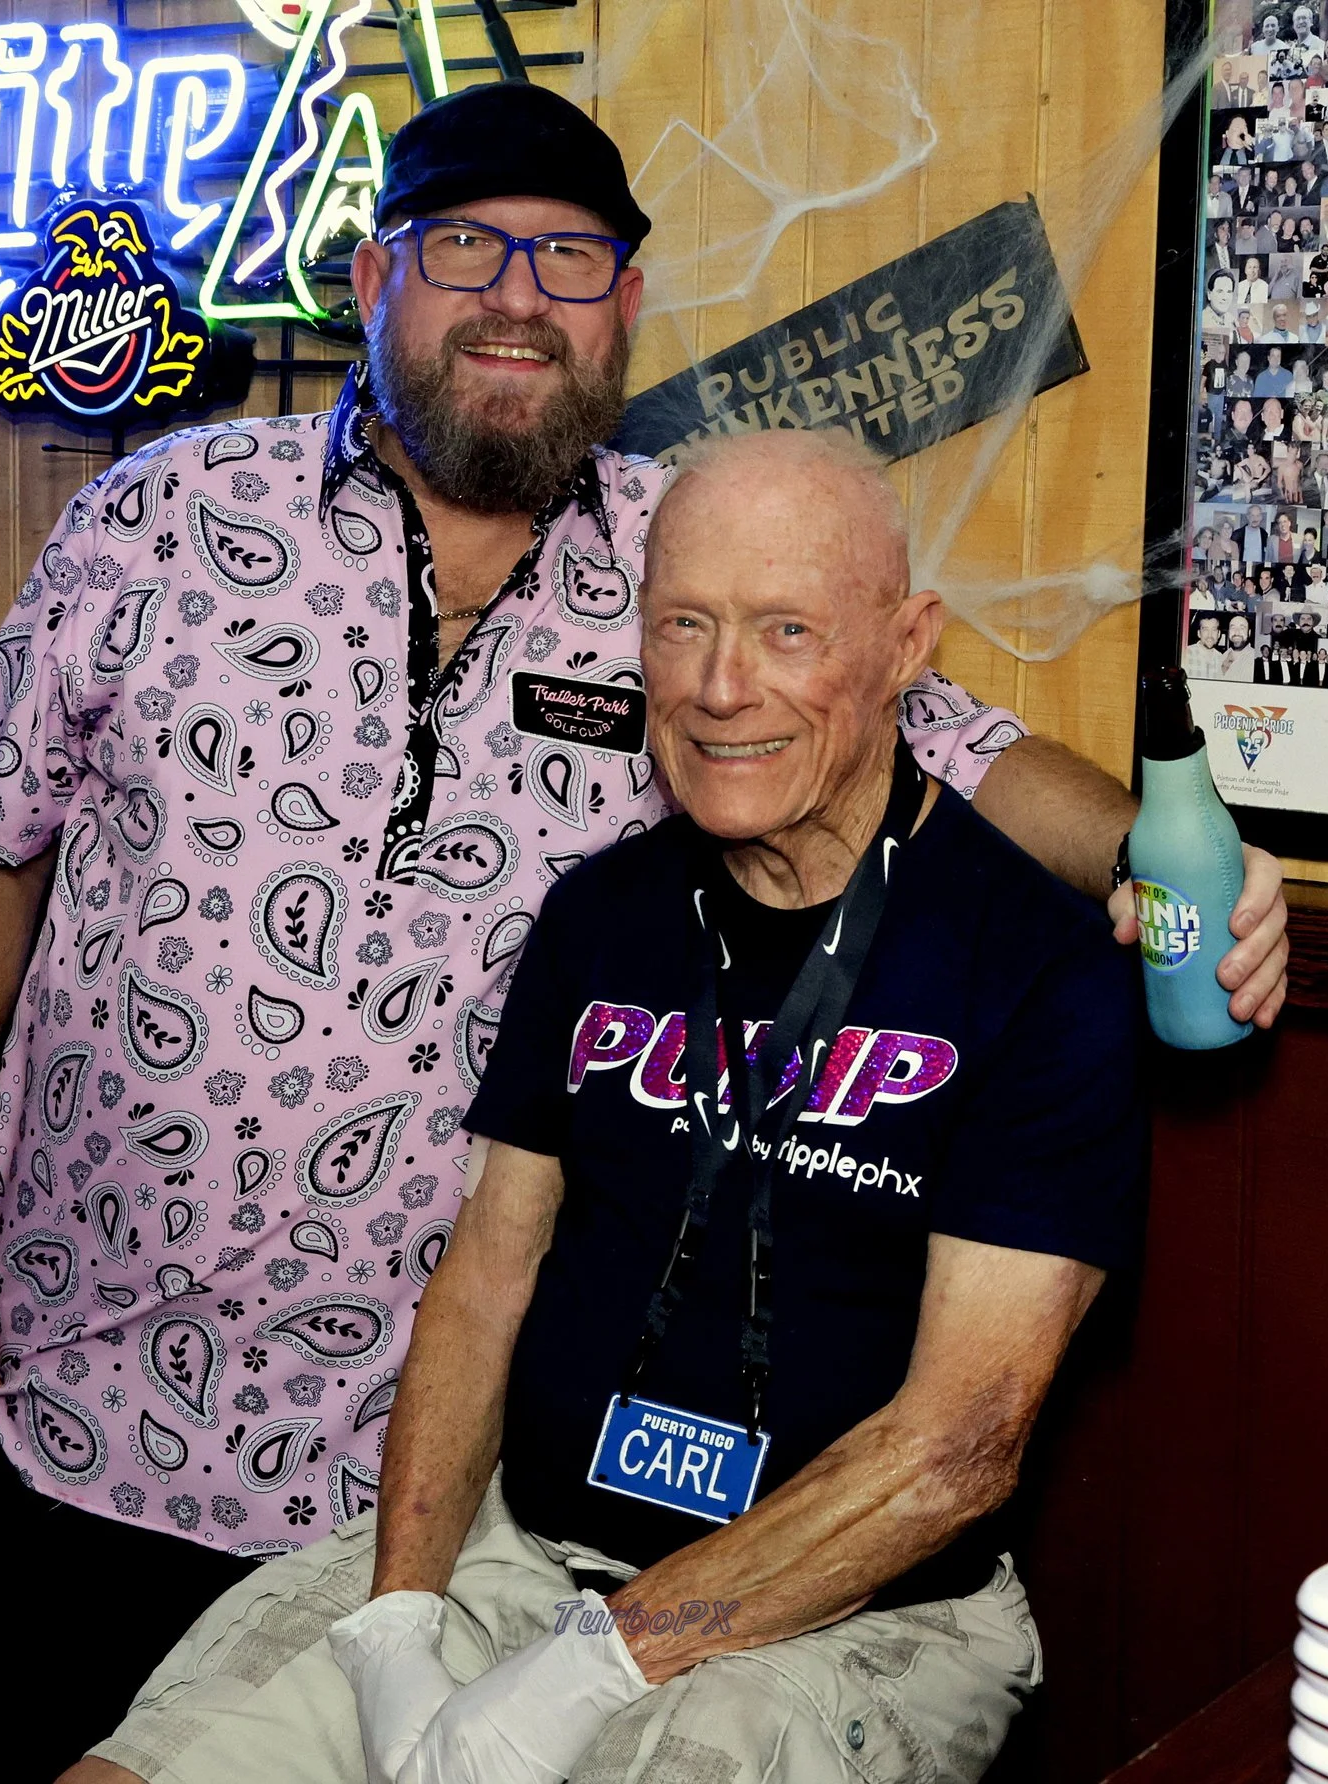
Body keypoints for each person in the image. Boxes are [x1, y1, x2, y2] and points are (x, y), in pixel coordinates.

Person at [0, 83, 1293, 1780]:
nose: (519, 297)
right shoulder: (161, 518)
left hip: (429, 1469)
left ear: (625, 303)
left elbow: (941, 745)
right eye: (466, 247)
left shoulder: (676, 557)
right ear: (371, 278)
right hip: (99, 1374)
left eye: (572, 258)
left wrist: (1175, 868)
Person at [64, 428, 1144, 1784]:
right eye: (683, 624)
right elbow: (483, 1280)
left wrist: (596, 1666)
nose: (721, 687)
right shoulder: (599, 914)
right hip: (516, 1551)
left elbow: (953, 1454)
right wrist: (400, 1619)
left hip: (846, 1619)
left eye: (788, 631)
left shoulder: (1039, 968)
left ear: (906, 646)